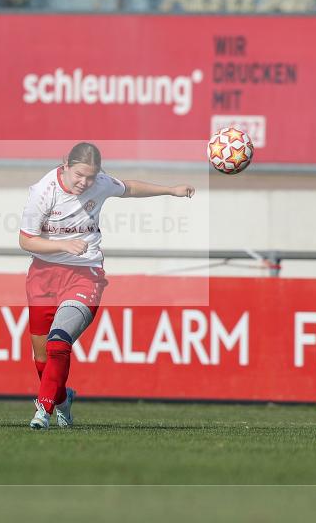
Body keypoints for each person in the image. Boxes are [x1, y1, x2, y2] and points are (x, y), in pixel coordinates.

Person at [19, 142, 194, 430]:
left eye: (90, 177)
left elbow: (129, 188)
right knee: (41, 358)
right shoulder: (43, 192)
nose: (84, 183)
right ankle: (62, 399)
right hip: (43, 276)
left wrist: (170, 190)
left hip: (84, 273)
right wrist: (63, 245)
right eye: (79, 175)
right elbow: (26, 240)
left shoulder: (99, 183)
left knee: (58, 343)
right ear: (65, 165)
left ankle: (43, 413)